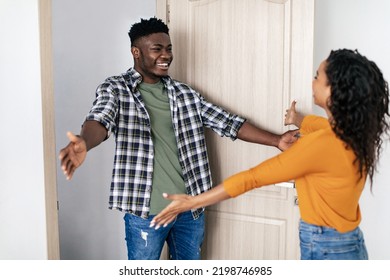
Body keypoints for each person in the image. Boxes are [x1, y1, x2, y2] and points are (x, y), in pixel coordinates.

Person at [58, 17, 298, 260]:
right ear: (136, 52)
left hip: (189, 210)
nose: (166, 55)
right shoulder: (116, 89)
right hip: (145, 213)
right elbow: (100, 120)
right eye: (157, 49)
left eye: (169, 48)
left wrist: (277, 140)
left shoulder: (185, 94)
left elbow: (228, 123)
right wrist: (84, 142)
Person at [150, 49, 390, 260]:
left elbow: (253, 177)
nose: (312, 81)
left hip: (325, 247)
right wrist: (296, 119)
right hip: (350, 242)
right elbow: (316, 123)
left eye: (318, 76)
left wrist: (193, 201)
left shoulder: (321, 144)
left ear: (333, 91)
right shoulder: (353, 133)